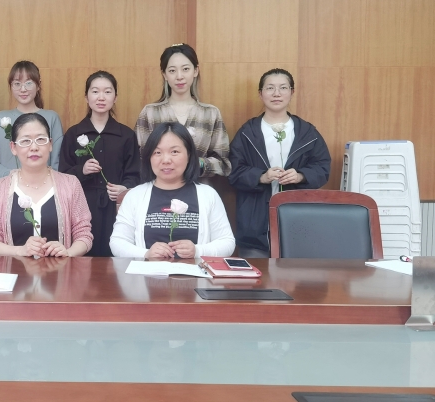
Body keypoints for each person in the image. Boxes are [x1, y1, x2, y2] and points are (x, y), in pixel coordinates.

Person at [228, 68, 331, 258]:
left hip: (297, 221)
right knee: (256, 275)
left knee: (295, 274)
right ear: (261, 94)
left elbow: (322, 168)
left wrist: (301, 176)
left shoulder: (307, 132)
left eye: (283, 88)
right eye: (270, 88)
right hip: (255, 222)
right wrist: (261, 177)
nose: (277, 93)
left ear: (292, 92)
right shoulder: (247, 132)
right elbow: (233, 171)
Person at [110, 122, 235, 259]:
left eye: (174, 152)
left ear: (189, 155)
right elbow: (117, 242)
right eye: (157, 152)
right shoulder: (135, 196)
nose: (166, 160)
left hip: (195, 272)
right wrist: (145, 253)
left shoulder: (208, 195)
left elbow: (227, 242)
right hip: (147, 272)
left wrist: (198, 251)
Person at [0, 113, 92, 258]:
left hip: (59, 271)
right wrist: (20, 251)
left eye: (41, 139)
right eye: (25, 141)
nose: (34, 147)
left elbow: (84, 234)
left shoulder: (71, 184)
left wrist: (68, 253)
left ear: (50, 144)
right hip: (14, 272)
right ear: (13, 147)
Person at [59, 71, 140, 256]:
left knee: (115, 256)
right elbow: (62, 175)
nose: (101, 97)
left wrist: (124, 189)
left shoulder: (126, 135)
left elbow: (135, 174)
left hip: (116, 207)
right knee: (82, 257)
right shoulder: (74, 134)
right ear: (86, 97)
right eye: (95, 91)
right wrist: (82, 170)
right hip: (81, 206)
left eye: (107, 92)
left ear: (115, 97)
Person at [135, 43, 231, 177]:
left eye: (185, 69)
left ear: (195, 71)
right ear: (164, 74)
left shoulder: (210, 113)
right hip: (159, 186)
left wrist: (196, 163)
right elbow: (139, 158)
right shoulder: (150, 112)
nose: (179, 76)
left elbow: (223, 163)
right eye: (172, 71)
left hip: (198, 186)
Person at [0, 61, 64, 184]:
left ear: (38, 85)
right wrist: (13, 177)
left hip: (43, 188)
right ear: (11, 86)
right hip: (7, 187)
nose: (23, 89)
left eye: (29, 83)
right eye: (17, 84)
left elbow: (58, 162)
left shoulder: (52, 118)